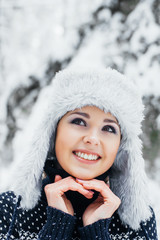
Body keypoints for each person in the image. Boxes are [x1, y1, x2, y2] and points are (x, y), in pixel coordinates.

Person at [0, 68, 158, 240]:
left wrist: (97, 234)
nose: (92, 139)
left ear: (121, 147)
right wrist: (57, 227)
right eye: (79, 121)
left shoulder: (139, 222)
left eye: (108, 128)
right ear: (53, 132)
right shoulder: (10, 208)